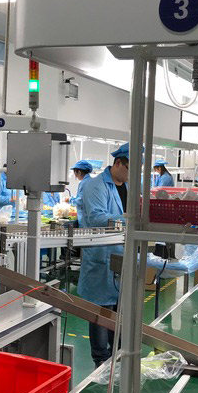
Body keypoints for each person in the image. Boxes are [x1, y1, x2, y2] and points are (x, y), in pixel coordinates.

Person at [77, 143, 129, 366]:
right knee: (101, 311)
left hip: (121, 255)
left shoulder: (127, 186)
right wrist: (128, 219)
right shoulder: (96, 186)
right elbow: (97, 218)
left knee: (119, 308)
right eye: (129, 169)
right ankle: (100, 361)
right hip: (101, 257)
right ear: (118, 163)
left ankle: (119, 355)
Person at [69, 160, 93, 226]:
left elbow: (81, 201)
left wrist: (70, 200)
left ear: (79, 172)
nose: (75, 175)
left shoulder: (84, 183)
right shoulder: (90, 181)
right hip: (89, 217)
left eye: (75, 172)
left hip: (85, 218)